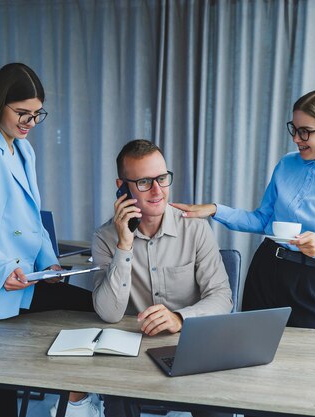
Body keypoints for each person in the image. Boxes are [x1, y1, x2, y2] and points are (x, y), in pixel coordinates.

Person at [0, 63, 97, 417]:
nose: (30, 122)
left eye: (36, 114)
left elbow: (33, 219)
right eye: (22, 113)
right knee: (3, 383)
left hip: (27, 277)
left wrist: (50, 263)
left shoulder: (24, 151)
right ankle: (81, 404)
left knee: (8, 376)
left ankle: (78, 399)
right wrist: (2, 268)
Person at [172, 87, 315, 348]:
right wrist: (214, 210)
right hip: (265, 269)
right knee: (250, 353)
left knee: (308, 364)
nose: (297, 138)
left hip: (309, 281)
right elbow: (262, 221)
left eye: (306, 131)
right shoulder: (286, 165)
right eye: (294, 129)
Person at [92, 139, 233, 417]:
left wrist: (180, 318)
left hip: (189, 346)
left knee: (218, 406)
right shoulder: (105, 237)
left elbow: (221, 297)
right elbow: (109, 314)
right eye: (144, 181)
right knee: (117, 405)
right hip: (133, 352)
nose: (158, 190)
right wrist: (124, 245)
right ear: (122, 187)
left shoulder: (194, 227)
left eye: (162, 178)